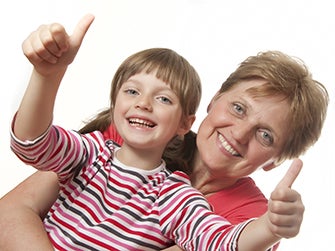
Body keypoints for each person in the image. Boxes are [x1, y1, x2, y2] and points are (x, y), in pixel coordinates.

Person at [0, 14, 328, 250]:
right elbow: (18, 191)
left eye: (265, 135)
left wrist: (271, 227)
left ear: (275, 160)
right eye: (238, 108)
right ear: (213, 102)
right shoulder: (123, 141)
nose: (240, 133)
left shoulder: (184, 199)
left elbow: (223, 242)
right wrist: (48, 75)